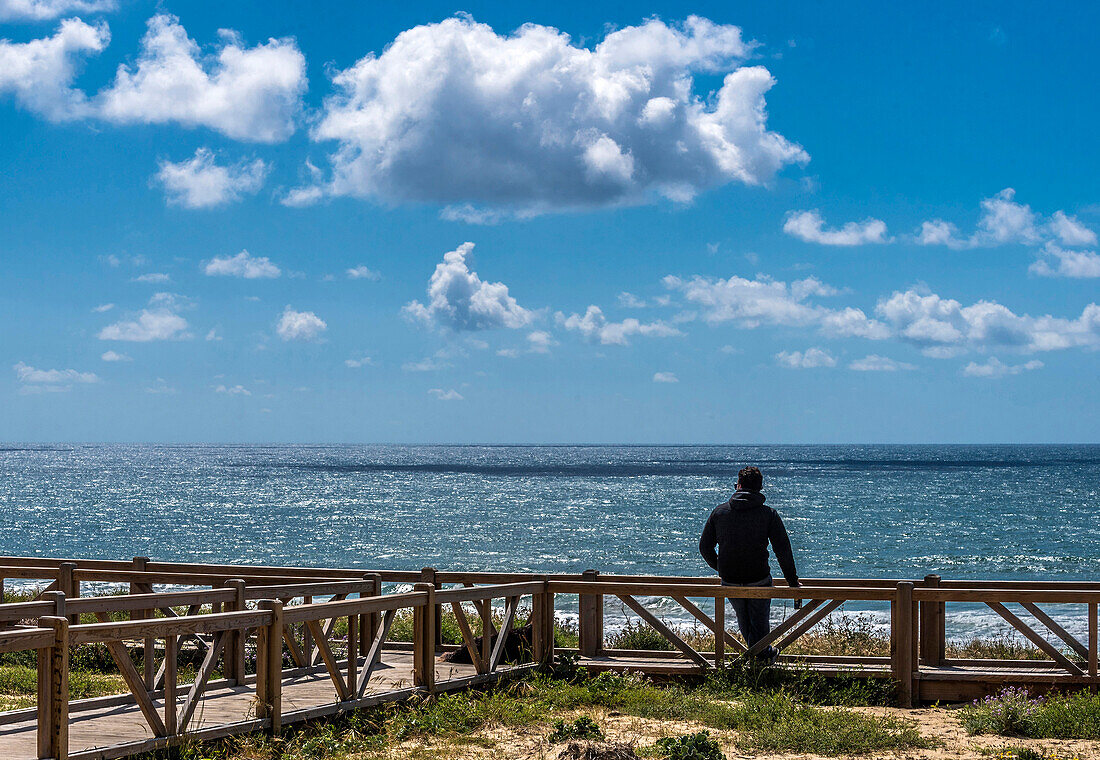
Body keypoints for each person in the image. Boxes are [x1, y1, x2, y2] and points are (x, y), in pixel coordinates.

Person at [699, 466, 800, 662]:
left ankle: (758, 658)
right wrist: (792, 581)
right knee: (759, 623)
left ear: (738, 485)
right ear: (760, 487)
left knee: (743, 620)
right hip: (759, 579)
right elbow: (783, 550)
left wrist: (721, 568)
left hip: (730, 580)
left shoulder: (719, 513)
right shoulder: (768, 514)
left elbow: (705, 548)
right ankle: (763, 657)